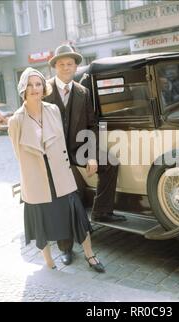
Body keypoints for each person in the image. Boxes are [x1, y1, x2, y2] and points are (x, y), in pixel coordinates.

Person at [8, 67, 105, 273]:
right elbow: (19, 154)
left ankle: (90, 255)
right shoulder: (16, 120)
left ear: (44, 87)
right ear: (23, 89)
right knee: (43, 220)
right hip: (36, 179)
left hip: (60, 173)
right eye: (30, 84)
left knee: (77, 215)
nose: (35, 88)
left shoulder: (52, 110)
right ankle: (50, 262)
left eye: (38, 84)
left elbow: (60, 140)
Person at [45, 45, 125, 265]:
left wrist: (91, 155)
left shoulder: (82, 91)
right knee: (69, 193)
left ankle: (101, 211)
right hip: (54, 152)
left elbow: (91, 124)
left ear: (75, 66)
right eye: (61, 64)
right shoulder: (45, 90)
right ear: (55, 67)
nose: (66, 67)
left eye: (69, 64)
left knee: (110, 162)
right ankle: (66, 247)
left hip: (79, 147)